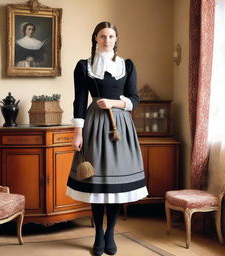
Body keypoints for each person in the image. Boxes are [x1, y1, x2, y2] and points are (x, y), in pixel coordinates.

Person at [66, 21, 148, 256]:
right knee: (97, 182)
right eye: (103, 36)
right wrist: (77, 133)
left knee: (115, 184)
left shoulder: (127, 66)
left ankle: (110, 232)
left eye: (111, 36)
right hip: (94, 125)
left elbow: (134, 98)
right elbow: (79, 100)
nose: (107, 40)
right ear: (95, 38)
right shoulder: (84, 66)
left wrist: (114, 103)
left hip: (120, 128)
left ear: (116, 38)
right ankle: (98, 234)